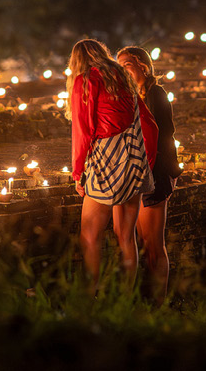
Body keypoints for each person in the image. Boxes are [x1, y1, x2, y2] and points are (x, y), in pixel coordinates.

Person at [69, 39, 158, 287]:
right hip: (134, 160)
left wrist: (78, 173)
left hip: (106, 162)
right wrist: (145, 164)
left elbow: (82, 131)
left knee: (89, 235)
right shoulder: (123, 79)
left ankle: (90, 298)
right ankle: (126, 300)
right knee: (126, 238)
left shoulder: (85, 80)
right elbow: (150, 125)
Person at [116, 46, 179, 301]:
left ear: (142, 65)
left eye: (127, 64)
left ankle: (160, 303)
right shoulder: (131, 94)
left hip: (156, 173)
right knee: (142, 239)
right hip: (138, 174)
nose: (122, 70)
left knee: (154, 244)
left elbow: (159, 134)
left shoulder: (155, 93)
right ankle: (147, 299)